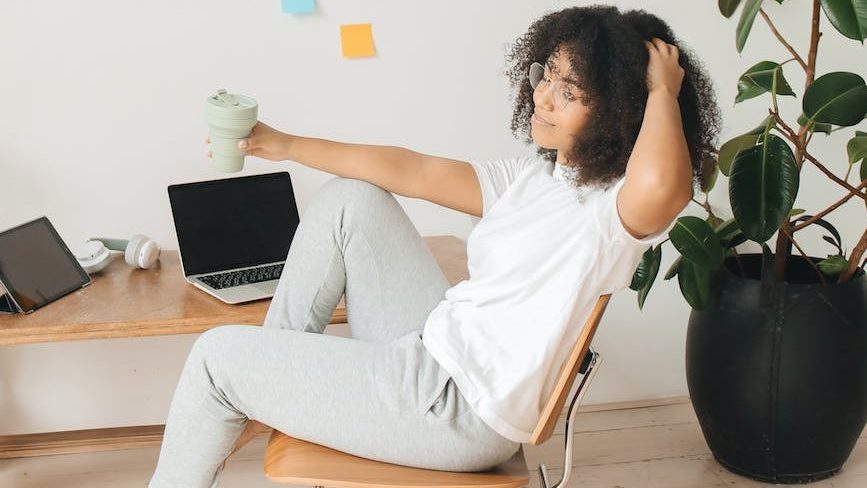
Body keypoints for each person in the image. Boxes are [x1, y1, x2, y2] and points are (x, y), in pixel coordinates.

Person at [148, 5, 720, 487]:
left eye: (569, 92)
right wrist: (285, 143)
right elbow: (413, 169)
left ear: (621, 113)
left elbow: (665, 185)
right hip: (433, 354)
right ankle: (272, 380)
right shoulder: (539, 181)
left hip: (455, 410)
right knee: (352, 199)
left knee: (214, 358)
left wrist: (661, 89)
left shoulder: (611, 211)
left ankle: (251, 389)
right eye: (547, 74)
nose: (543, 96)